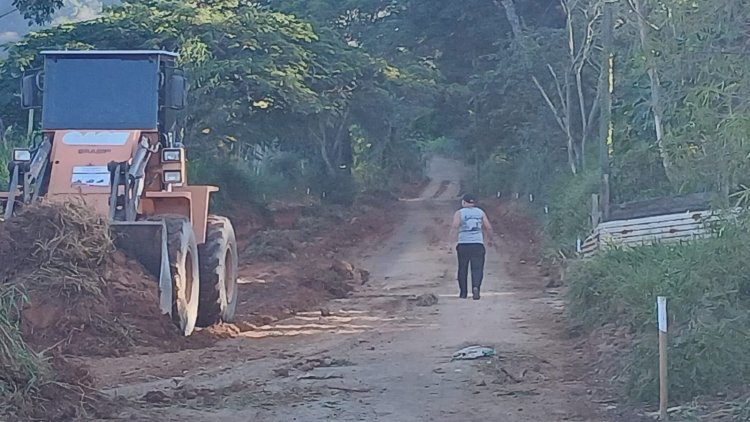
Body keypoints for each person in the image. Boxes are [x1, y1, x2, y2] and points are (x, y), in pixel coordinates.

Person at [447, 193, 494, 300]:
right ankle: (476, 287)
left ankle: (463, 293)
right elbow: (488, 227)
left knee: (462, 268)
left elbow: (454, 227)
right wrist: (490, 239)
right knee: (477, 268)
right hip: (478, 244)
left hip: (463, 244)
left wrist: (450, 243)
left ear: (464, 202)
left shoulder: (459, 213)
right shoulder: (480, 212)